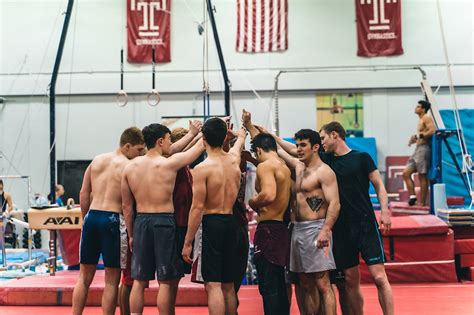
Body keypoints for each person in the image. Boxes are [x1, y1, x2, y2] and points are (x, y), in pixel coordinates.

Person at [121, 121, 204, 315]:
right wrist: (204, 132)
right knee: (165, 281)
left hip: (141, 222)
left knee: (139, 281)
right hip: (163, 222)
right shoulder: (169, 164)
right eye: (168, 140)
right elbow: (196, 150)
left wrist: (132, 235)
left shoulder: (129, 168)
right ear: (160, 141)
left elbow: (127, 207)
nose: (170, 144)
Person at [319, 121, 394, 315]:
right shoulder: (326, 159)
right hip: (342, 228)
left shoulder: (362, 158)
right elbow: (296, 150)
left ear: (335, 134)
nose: (321, 143)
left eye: (323, 138)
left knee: (379, 277)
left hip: (366, 224)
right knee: (351, 280)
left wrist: (385, 210)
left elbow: (379, 185)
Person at [72, 127, 146, 315]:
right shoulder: (128, 167)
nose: (140, 154)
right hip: (113, 221)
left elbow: (83, 194)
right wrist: (130, 233)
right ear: (127, 146)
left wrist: (85, 219)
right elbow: (128, 206)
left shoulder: (97, 160)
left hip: (92, 217)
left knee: (83, 277)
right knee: (112, 280)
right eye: (138, 150)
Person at [182, 118, 247, 315]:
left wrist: (188, 241)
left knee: (213, 285)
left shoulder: (202, 169)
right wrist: (237, 133)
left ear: (203, 139)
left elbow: (197, 208)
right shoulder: (234, 160)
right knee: (228, 285)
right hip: (232, 223)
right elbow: (241, 139)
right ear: (224, 136)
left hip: (213, 224)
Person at [273, 129, 340, 315]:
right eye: (297, 145)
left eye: (303, 145)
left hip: (317, 228)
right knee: (305, 282)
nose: (299, 149)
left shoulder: (325, 172)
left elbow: (335, 203)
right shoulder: (299, 167)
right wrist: (265, 134)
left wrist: (326, 229)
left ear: (316, 147)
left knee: (323, 282)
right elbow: (279, 149)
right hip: (298, 230)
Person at [248, 133, 293, 315]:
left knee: (269, 288)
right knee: (279, 286)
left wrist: (252, 202)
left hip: (268, 231)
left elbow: (268, 194)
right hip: (281, 228)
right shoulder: (284, 167)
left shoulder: (265, 166)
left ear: (259, 150)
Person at [402, 100, 436, 206]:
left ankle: (422, 203)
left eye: (418, 107)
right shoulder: (421, 119)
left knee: (422, 176)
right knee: (406, 173)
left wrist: (419, 136)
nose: (416, 108)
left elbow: (432, 130)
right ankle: (413, 197)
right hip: (418, 149)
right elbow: (423, 133)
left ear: (423, 109)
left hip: (424, 149)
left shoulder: (426, 117)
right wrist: (414, 139)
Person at [0, 179, 15, 248]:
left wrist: (6, 211)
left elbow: (11, 206)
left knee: (1, 232)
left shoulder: (6, 195)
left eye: (1, 186)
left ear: (2, 185)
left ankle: (1, 247)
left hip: (3, 216)